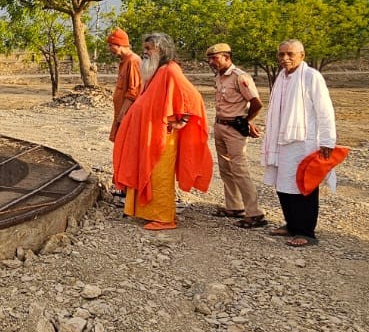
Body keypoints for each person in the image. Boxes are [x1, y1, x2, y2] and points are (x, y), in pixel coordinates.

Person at [112, 33, 213, 230]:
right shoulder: (155, 72)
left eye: (149, 48)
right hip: (147, 134)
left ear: (162, 49)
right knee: (145, 171)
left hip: (161, 137)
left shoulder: (170, 70)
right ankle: (145, 212)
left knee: (159, 175)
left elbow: (192, 97)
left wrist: (180, 121)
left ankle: (164, 218)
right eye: (145, 48)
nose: (145, 52)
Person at [260, 39, 337, 247]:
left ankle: (306, 232)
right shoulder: (282, 78)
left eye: (290, 54)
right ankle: (292, 225)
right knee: (283, 184)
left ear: (302, 55)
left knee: (304, 185)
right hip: (282, 142)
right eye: (281, 54)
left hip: (304, 142)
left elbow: (325, 110)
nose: (285, 58)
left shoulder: (312, 77)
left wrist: (328, 140)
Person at [204, 43, 265, 228]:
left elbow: (256, 103)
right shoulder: (220, 77)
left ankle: (254, 212)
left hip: (234, 129)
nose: (211, 62)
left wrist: (247, 121)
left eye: (215, 58)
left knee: (239, 169)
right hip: (220, 125)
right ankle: (234, 206)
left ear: (226, 57)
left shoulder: (240, 77)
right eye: (209, 58)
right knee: (225, 168)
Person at [107, 28, 142, 144]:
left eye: (111, 46)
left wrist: (122, 115)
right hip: (121, 113)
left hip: (127, 115)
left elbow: (133, 92)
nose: (109, 49)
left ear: (120, 45)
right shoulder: (125, 62)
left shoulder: (133, 61)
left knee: (127, 145)